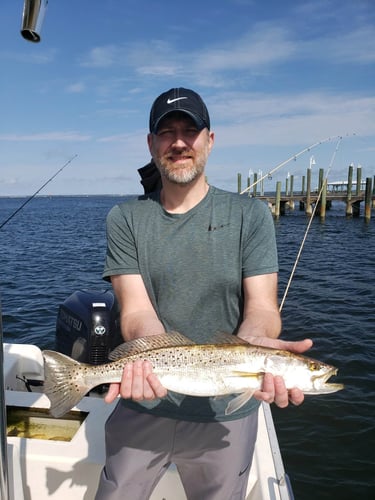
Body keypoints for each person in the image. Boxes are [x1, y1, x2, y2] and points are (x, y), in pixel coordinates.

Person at [95, 87, 312, 500]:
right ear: (151, 144)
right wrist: (144, 357)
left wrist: (258, 346)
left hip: (228, 412)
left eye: (190, 131)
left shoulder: (251, 216)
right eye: (167, 132)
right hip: (144, 404)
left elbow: (262, 308)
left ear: (209, 141)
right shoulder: (125, 218)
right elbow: (137, 312)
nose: (179, 142)